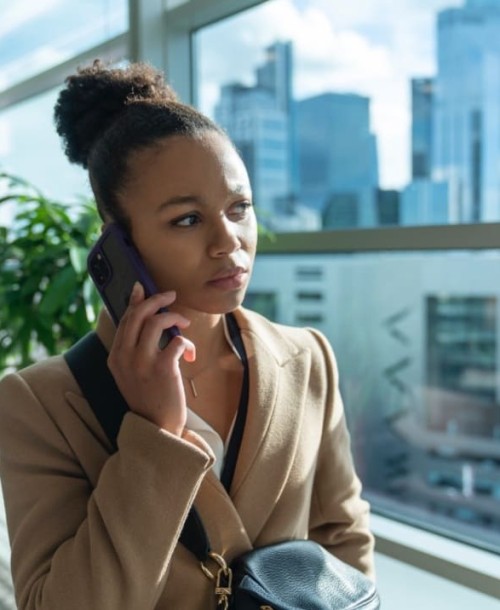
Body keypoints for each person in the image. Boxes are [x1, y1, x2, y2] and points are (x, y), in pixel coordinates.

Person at [0, 60, 375, 609]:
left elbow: (344, 541)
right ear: (117, 239)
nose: (230, 243)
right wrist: (155, 433)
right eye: (187, 220)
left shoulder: (307, 358)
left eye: (239, 208)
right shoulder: (40, 404)